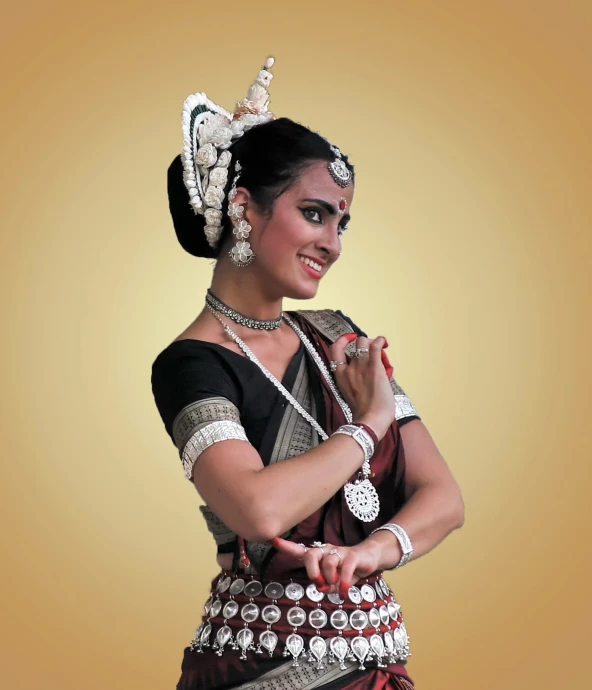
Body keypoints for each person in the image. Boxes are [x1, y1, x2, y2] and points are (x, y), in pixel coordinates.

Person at [151, 56, 465, 690]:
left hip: (375, 661)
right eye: (316, 213)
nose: (334, 242)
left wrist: (368, 553)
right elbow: (258, 509)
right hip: (256, 665)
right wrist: (372, 422)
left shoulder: (338, 338)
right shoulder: (191, 364)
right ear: (245, 207)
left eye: (342, 222)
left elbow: (445, 499)